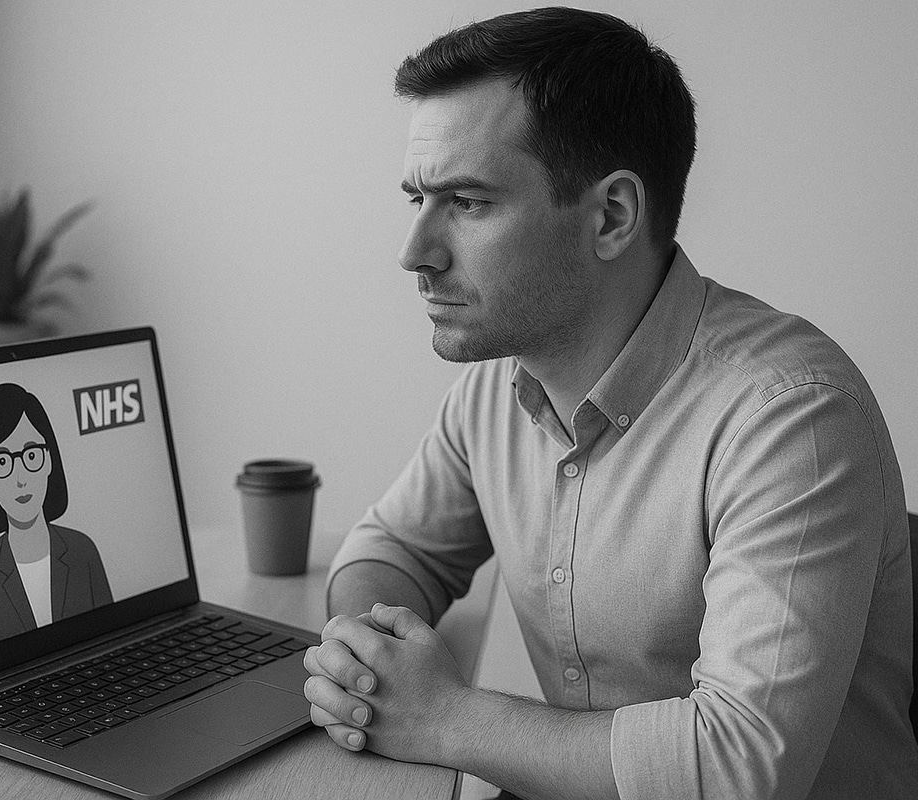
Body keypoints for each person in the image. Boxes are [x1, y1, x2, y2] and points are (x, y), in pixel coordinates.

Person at [303, 8, 917, 799]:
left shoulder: (792, 421)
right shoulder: (497, 387)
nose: (413, 252)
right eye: (416, 197)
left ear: (612, 216)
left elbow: (740, 772)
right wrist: (367, 653)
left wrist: (442, 718)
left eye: (467, 202)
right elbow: (393, 550)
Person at [0, 382, 112, 651]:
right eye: (3, 461)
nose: (21, 479)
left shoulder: (83, 552)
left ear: (49, 460)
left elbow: (113, 639)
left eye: (31, 455)